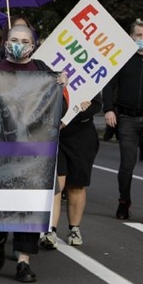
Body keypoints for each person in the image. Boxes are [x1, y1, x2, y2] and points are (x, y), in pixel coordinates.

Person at [0, 25, 68, 282]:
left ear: (33, 45)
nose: (19, 44)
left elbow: (59, 110)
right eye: (14, 39)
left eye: (24, 41)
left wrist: (61, 88)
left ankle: (24, 261)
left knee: (29, 206)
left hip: (32, 153)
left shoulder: (42, 70)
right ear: (5, 42)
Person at [102, 18, 143, 225]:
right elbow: (108, 86)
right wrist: (108, 109)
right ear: (131, 36)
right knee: (127, 165)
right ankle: (124, 201)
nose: (142, 39)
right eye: (139, 35)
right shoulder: (122, 59)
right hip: (126, 118)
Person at [40, 93, 101, 249]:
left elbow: (97, 104)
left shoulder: (90, 76)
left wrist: (82, 110)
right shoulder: (50, 71)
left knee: (77, 185)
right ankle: (50, 230)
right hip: (54, 133)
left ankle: (74, 228)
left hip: (82, 134)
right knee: (56, 183)